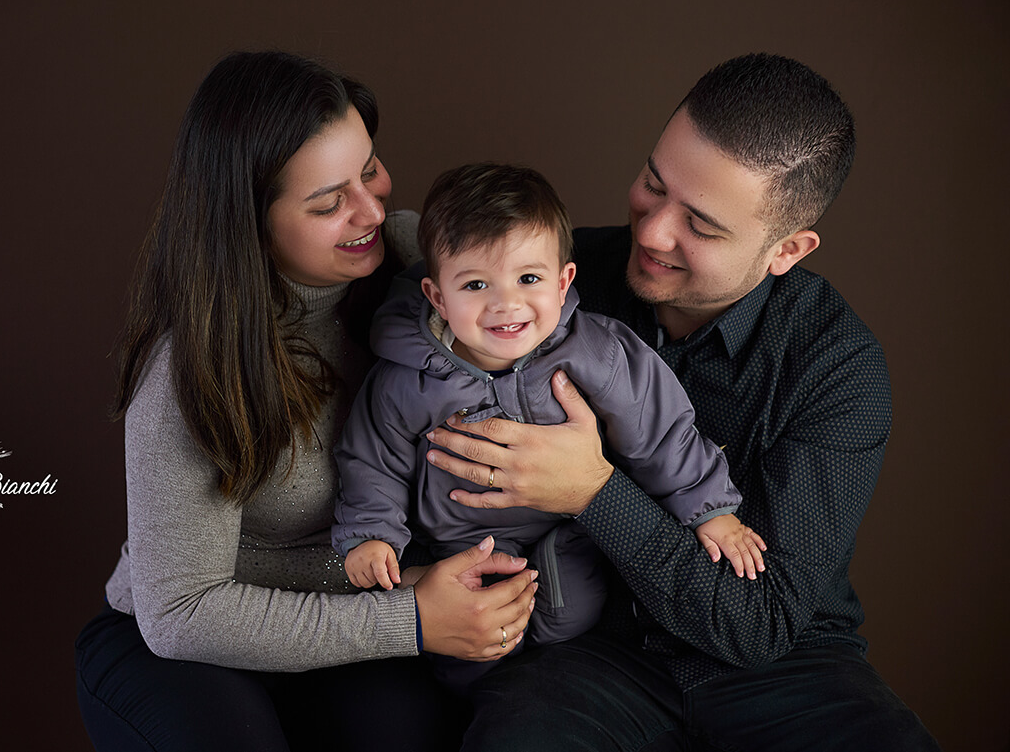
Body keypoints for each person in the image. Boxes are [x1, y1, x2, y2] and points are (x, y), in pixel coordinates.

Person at [423, 54, 941, 750]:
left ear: (787, 248)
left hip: (783, 666)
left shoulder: (836, 365)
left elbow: (758, 623)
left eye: (700, 224)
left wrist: (592, 489)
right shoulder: (547, 285)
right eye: (651, 183)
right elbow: (429, 292)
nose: (652, 231)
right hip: (584, 652)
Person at [73, 51, 537, 752]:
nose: (372, 209)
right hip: (183, 640)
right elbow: (181, 607)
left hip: (349, 605)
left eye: (370, 168)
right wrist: (410, 614)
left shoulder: (417, 259)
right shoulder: (188, 370)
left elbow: (554, 270)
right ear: (253, 224)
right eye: (329, 203)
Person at [332, 163, 766, 690]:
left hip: (565, 530)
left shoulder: (596, 352)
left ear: (564, 282)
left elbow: (660, 429)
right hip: (462, 543)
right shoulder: (406, 377)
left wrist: (710, 509)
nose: (506, 304)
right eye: (475, 284)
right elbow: (370, 459)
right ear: (437, 297)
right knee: (469, 653)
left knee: (572, 610)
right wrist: (371, 534)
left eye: (529, 279)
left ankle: (541, 663)